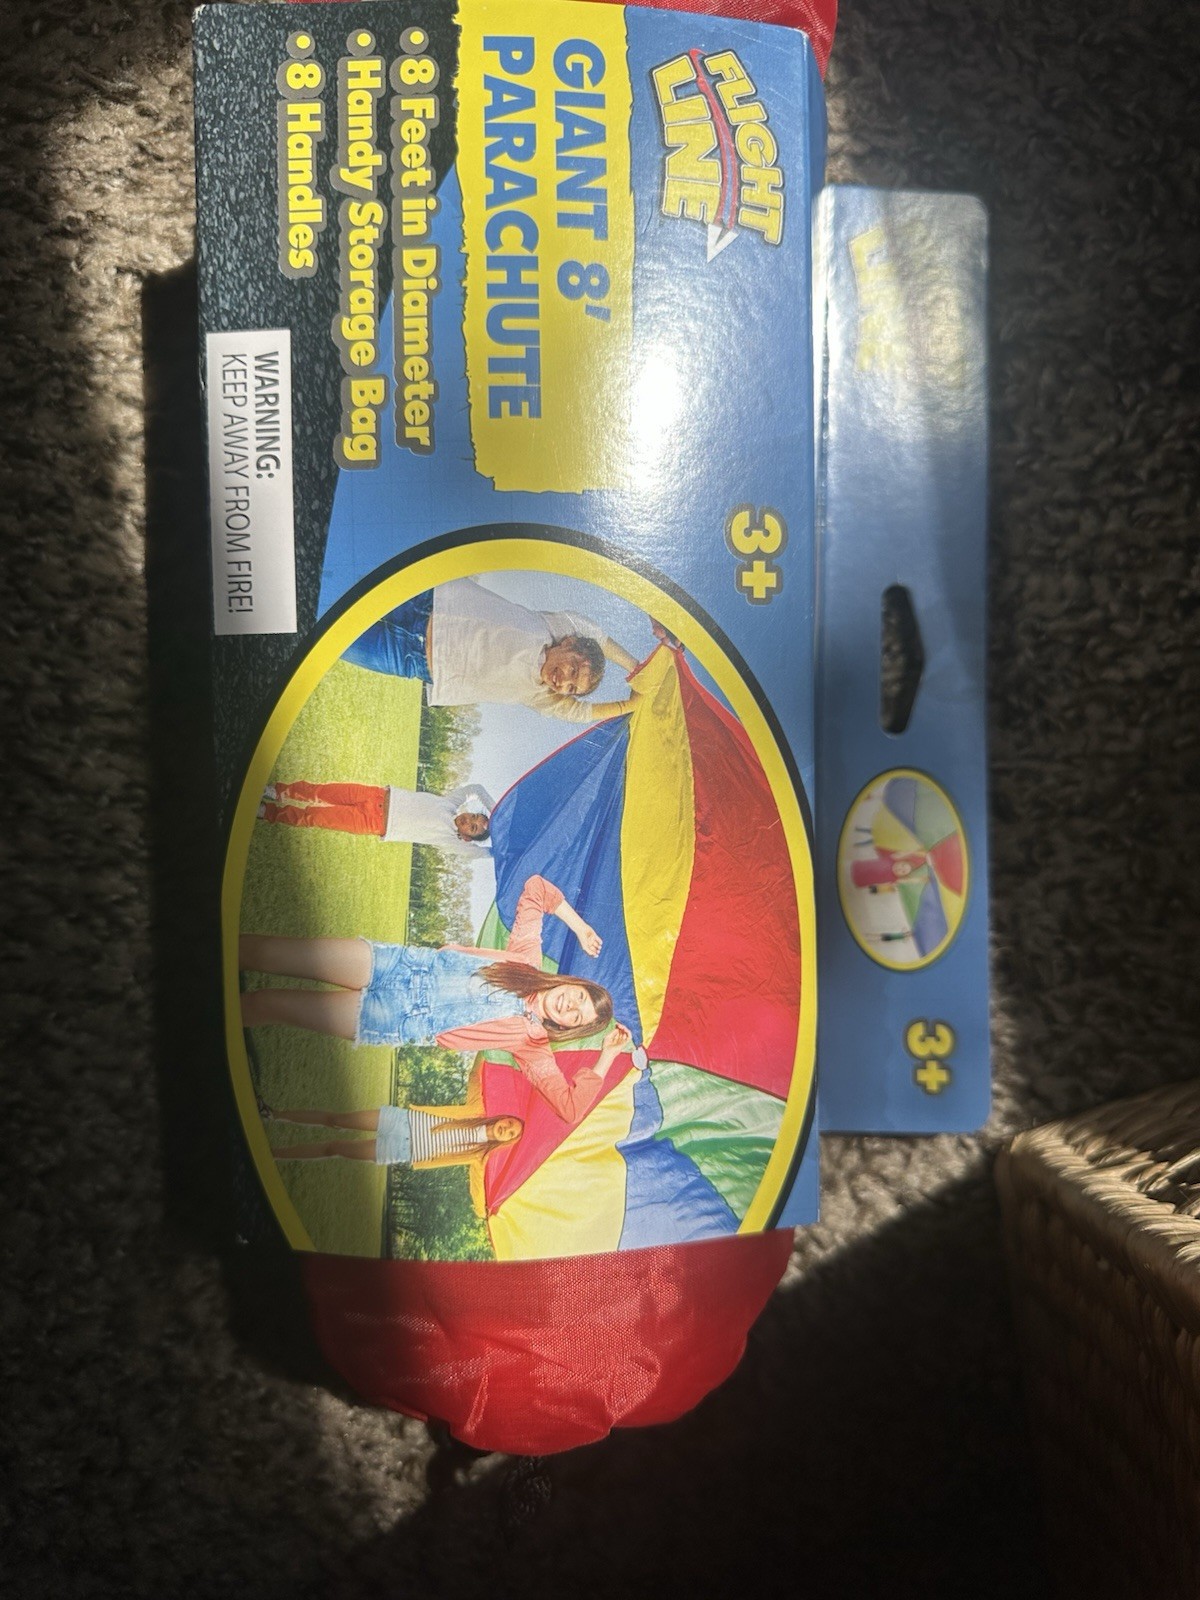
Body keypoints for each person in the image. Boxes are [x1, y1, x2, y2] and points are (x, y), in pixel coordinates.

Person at [240, 875, 633, 1123]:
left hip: (392, 1018)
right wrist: (580, 927)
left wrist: (606, 1057)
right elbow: (536, 889)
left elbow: (569, 1108)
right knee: (268, 952)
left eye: (577, 1017)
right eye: (579, 997)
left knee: (268, 1005)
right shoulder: (526, 959)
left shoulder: (533, 1048)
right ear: (571, 983)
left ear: (568, 1028)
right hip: (397, 965)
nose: (570, 1006)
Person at [341, 576, 642, 723]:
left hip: (405, 658)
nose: (563, 681)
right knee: (340, 585)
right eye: (572, 669)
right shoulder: (551, 627)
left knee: (331, 635)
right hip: (421, 602)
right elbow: (596, 634)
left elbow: (581, 713)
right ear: (569, 643)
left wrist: (626, 707)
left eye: (571, 688)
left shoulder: (540, 696)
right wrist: (635, 667)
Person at [258, 779, 494, 856]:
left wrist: (498, 851)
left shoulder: (449, 839)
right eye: (473, 816)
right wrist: (495, 810)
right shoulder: (451, 803)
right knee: (319, 791)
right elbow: (476, 787)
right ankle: (276, 792)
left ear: (466, 837)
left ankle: (268, 812)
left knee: (314, 817)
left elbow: (479, 853)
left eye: (473, 828)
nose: (468, 821)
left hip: (372, 823)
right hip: (375, 796)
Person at [262, 1104, 524, 1168]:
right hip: (401, 1121)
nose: (507, 1129)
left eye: (511, 1134)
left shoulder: (479, 1156)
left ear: (506, 1141)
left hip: (401, 1151)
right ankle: (273, 1114)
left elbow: (478, 1195)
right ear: (504, 1117)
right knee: (336, 1120)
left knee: (335, 1148)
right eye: (510, 1123)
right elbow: (479, 1067)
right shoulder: (477, 1108)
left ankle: (273, 1155)